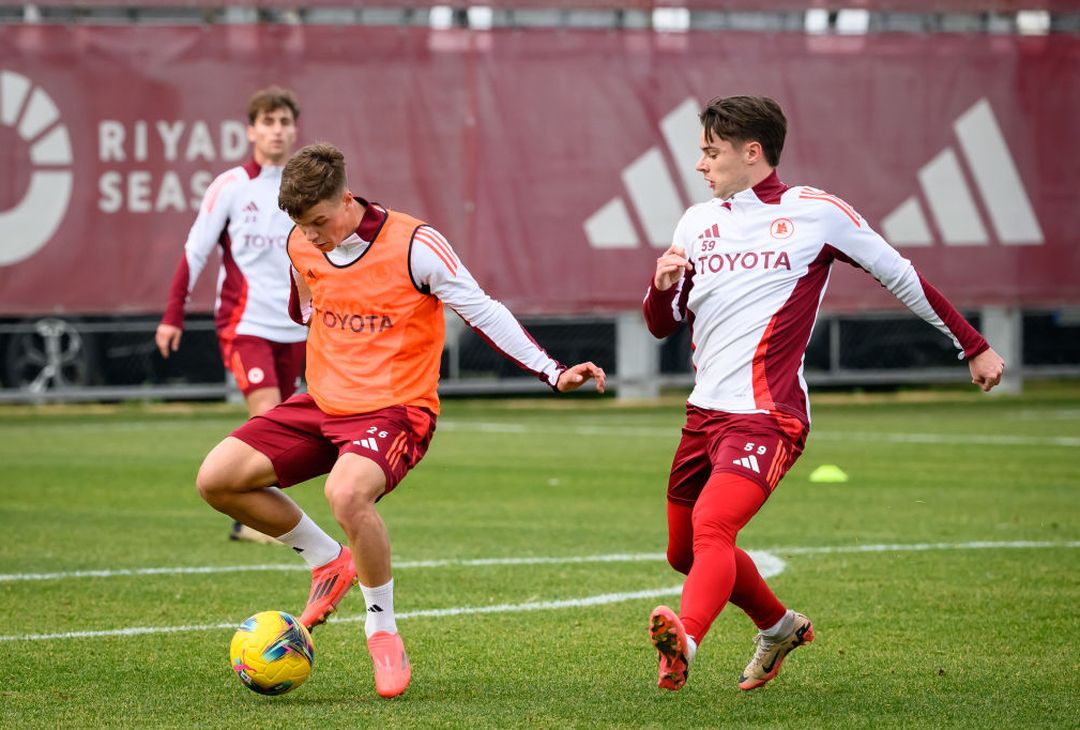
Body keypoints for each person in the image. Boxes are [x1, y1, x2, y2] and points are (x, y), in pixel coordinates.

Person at [194, 142, 606, 699]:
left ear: (345, 200)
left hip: (396, 409)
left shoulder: (416, 245)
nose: (311, 235)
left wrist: (553, 372)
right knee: (216, 479)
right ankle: (328, 561)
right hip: (322, 403)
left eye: (319, 221)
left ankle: (382, 629)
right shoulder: (300, 241)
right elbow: (306, 304)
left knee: (346, 493)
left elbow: (482, 309)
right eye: (301, 225)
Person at [642, 95, 1004, 693]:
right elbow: (662, 323)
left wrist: (973, 344)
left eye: (711, 152)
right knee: (685, 553)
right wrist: (659, 289)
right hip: (703, 417)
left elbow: (901, 274)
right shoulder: (695, 222)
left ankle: (687, 639)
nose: (701, 165)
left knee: (712, 529)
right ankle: (779, 626)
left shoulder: (818, 213)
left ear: (751, 152)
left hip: (769, 417)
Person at [156, 87, 308, 544]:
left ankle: (256, 512)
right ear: (251, 130)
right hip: (245, 325)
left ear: (294, 129)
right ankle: (252, 517)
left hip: (297, 327)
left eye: (283, 122)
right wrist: (172, 315)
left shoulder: (305, 188)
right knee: (266, 413)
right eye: (268, 122)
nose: (276, 130)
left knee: (284, 423)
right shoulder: (230, 186)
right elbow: (195, 250)